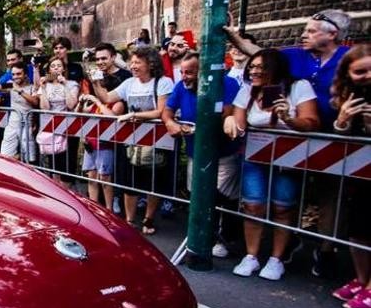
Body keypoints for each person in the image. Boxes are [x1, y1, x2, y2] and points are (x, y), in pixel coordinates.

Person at [222, 49, 320, 281]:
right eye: (252, 67)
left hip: (289, 159)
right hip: (255, 157)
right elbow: (238, 120)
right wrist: (229, 119)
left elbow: (312, 122)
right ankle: (251, 256)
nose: (254, 71)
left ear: (275, 68)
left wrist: (288, 118)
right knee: (253, 205)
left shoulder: (298, 87)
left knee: (282, 207)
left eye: (261, 67)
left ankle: (276, 258)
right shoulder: (247, 89)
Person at [162, 53, 242, 269]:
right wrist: (170, 123)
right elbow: (167, 111)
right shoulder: (181, 87)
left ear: (203, 71)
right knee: (197, 194)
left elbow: (226, 112)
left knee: (222, 197)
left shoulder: (227, 83)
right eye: (183, 72)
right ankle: (205, 236)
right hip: (195, 153)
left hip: (224, 153)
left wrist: (220, 122)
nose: (185, 76)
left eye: (190, 72)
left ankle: (227, 238)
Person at [92, 46, 175, 235]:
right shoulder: (129, 83)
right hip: (132, 140)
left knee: (153, 181)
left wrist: (133, 115)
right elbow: (106, 97)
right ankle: (130, 220)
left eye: (138, 62)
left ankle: (148, 218)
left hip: (157, 139)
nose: (133, 65)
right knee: (131, 181)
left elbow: (161, 112)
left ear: (150, 63)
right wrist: (96, 81)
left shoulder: (163, 82)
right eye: (132, 62)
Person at [327, 44, 371, 308]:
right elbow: (337, 139)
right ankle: (361, 278)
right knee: (358, 231)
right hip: (359, 176)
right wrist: (342, 121)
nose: (367, 76)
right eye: (360, 72)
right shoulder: (346, 97)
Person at [81, 44, 132, 209]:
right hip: (99, 127)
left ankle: (115, 201)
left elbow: (116, 102)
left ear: (113, 57)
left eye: (104, 58)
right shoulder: (95, 76)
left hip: (122, 123)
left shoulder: (125, 76)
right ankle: (99, 205)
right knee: (99, 172)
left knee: (117, 168)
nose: (100, 62)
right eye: (98, 59)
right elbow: (94, 100)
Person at [37, 57, 79, 185]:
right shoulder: (45, 85)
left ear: (63, 69)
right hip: (51, 129)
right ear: (49, 69)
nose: (56, 68)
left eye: (59, 65)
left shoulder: (72, 84)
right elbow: (45, 107)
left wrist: (64, 85)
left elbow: (71, 104)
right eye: (53, 66)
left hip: (68, 129)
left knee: (67, 164)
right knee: (54, 165)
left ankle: (68, 192)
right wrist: (43, 88)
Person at [0, 63, 40, 162]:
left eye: (18, 74)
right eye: (13, 74)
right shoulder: (11, 85)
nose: (15, 77)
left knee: (30, 157)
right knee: (5, 154)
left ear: (25, 74)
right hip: (12, 123)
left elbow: (35, 102)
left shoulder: (32, 87)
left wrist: (20, 91)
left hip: (27, 124)